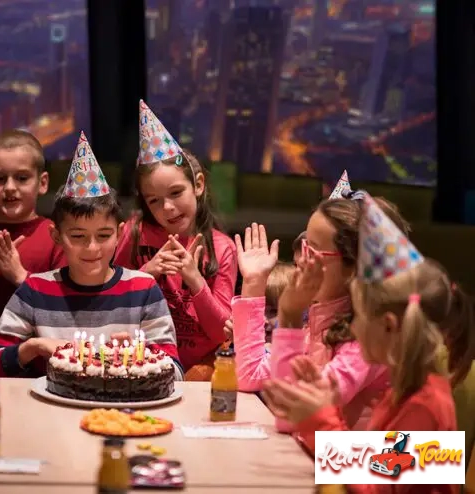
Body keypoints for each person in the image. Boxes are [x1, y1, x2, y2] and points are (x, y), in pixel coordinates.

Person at [262, 196, 466, 494]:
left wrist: (322, 422)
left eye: (360, 316)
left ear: (387, 326)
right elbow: (377, 466)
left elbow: (373, 486)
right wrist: (315, 414)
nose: (353, 325)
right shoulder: (404, 390)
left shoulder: (428, 404)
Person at [0, 132, 182, 378]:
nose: (92, 248)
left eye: (103, 235)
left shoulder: (143, 290)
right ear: (56, 236)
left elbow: (176, 372)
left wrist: (139, 357)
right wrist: (32, 347)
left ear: (119, 234)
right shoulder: (35, 291)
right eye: (78, 236)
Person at [232, 195, 411, 434]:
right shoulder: (321, 319)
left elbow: (290, 416)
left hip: (375, 466)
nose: (299, 258)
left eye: (313, 250)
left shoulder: (365, 339)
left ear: (354, 268)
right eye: (303, 244)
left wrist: (290, 314)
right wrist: (254, 283)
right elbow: (249, 374)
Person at [114, 100, 236, 375]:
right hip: (142, 363)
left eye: (176, 193)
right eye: (155, 200)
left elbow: (221, 333)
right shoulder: (135, 232)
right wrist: (147, 274)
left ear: (199, 185)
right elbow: (113, 305)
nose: (167, 208)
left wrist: (194, 278)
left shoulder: (221, 247)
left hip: (202, 369)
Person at [0, 129, 66, 315]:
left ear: (42, 183)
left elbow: (65, 303)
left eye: (22, 178)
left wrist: (19, 275)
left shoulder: (56, 236)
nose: (10, 188)